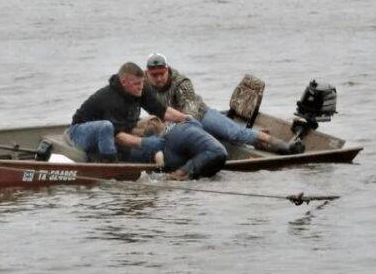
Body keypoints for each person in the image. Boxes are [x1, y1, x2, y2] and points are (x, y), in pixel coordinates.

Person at [68, 62, 227, 179]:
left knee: (131, 140)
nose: (141, 87)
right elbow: (118, 136)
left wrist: (185, 117)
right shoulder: (109, 99)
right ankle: (109, 166)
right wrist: (144, 143)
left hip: (117, 133)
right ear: (124, 82)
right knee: (106, 128)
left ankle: (119, 159)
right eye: (137, 84)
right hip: (80, 132)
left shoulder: (141, 89)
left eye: (142, 83)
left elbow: (162, 111)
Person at [142, 53, 303, 154]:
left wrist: (176, 126)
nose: (158, 78)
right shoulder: (141, 84)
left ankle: (279, 143)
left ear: (167, 70)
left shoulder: (181, 83)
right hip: (170, 123)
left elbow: (190, 112)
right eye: (154, 75)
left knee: (234, 134)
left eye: (162, 74)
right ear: (147, 73)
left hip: (199, 115)